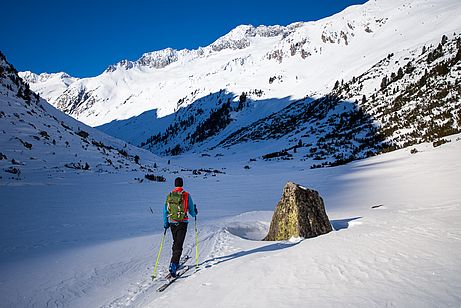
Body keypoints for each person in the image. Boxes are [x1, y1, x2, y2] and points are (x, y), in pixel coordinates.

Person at [163, 177, 197, 277]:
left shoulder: (169, 195)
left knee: (175, 242)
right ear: (182, 184)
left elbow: (165, 211)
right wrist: (195, 213)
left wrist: (166, 224)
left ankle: (175, 261)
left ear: (175, 184)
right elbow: (191, 211)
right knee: (179, 244)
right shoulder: (186, 195)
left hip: (172, 222)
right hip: (183, 222)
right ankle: (173, 265)